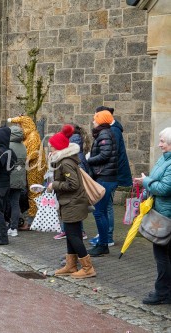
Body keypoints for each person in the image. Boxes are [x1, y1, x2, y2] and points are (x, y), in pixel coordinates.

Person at [47, 125, 96, 279]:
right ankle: (71, 265)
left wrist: (54, 185)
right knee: (70, 234)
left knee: (74, 236)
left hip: (73, 203)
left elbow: (73, 184)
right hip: (69, 203)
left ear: (59, 148)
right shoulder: (62, 160)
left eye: (52, 148)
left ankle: (88, 268)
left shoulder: (66, 162)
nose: (50, 151)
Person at [133, 127, 171, 305]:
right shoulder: (165, 159)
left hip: (166, 215)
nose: (159, 144)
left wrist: (146, 181)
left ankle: (162, 292)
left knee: (162, 255)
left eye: (163, 141)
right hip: (162, 211)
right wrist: (146, 180)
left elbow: (164, 188)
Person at [90, 106, 132, 247]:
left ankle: (107, 236)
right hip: (110, 174)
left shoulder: (110, 132)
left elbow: (107, 155)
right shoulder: (110, 131)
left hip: (109, 175)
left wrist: (89, 160)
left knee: (105, 207)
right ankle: (104, 235)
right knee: (103, 208)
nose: (93, 119)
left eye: (96, 116)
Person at [86, 111, 119, 257]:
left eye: (95, 119)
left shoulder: (104, 133)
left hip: (105, 177)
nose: (93, 121)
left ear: (101, 120)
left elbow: (104, 155)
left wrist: (88, 160)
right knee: (102, 212)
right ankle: (103, 243)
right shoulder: (105, 133)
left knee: (99, 212)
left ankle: (103, 244)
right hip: (106, 177)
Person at [8, 115, 47, 230]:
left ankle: (32, 221)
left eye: (20, 125)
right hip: (29, 168)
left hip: (35, 168)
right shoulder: (28, 136)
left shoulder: (33, 136)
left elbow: (32, 154)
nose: (19, 128)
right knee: (31, 192)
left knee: (34, 193)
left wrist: (21, 161)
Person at [8, 125, 27, 236]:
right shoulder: (23, 146)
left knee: (7, 203)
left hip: (10, 177)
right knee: (15, 203)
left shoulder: (9, 146)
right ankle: (14, 227)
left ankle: (9, 225)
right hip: (20, 177)